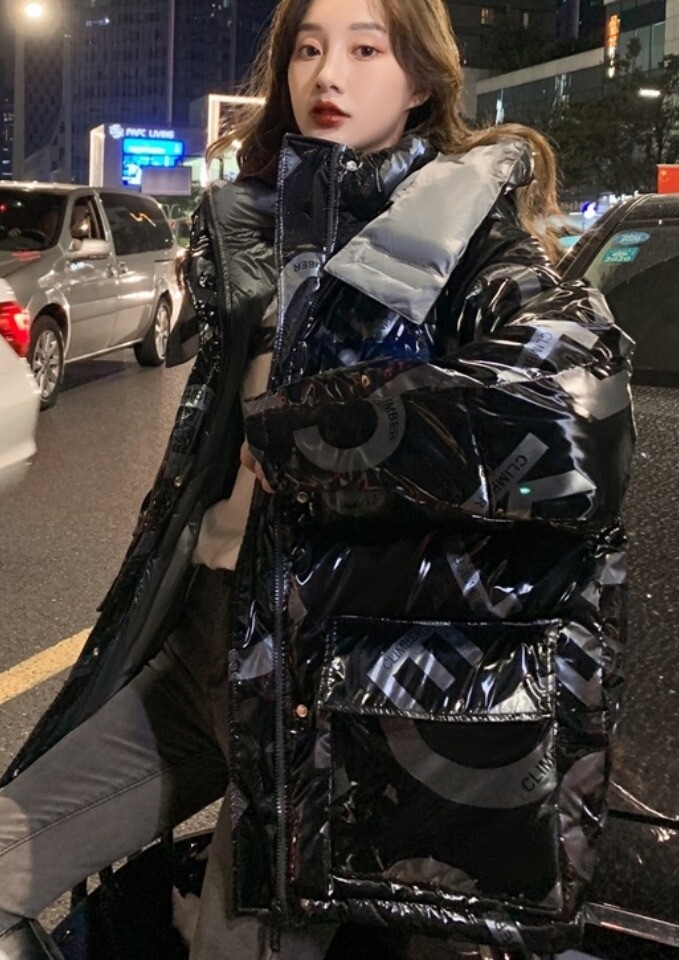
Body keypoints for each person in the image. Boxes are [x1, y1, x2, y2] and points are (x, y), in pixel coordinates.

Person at [0, 0, 635, 958]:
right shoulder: (273, 235)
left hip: (325, 701)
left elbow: (580, 408)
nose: (326, 75)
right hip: (203, 652)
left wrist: (313, 437)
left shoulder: (468, 240)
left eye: (365, 48)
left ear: (420, 80)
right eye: (306, 48)